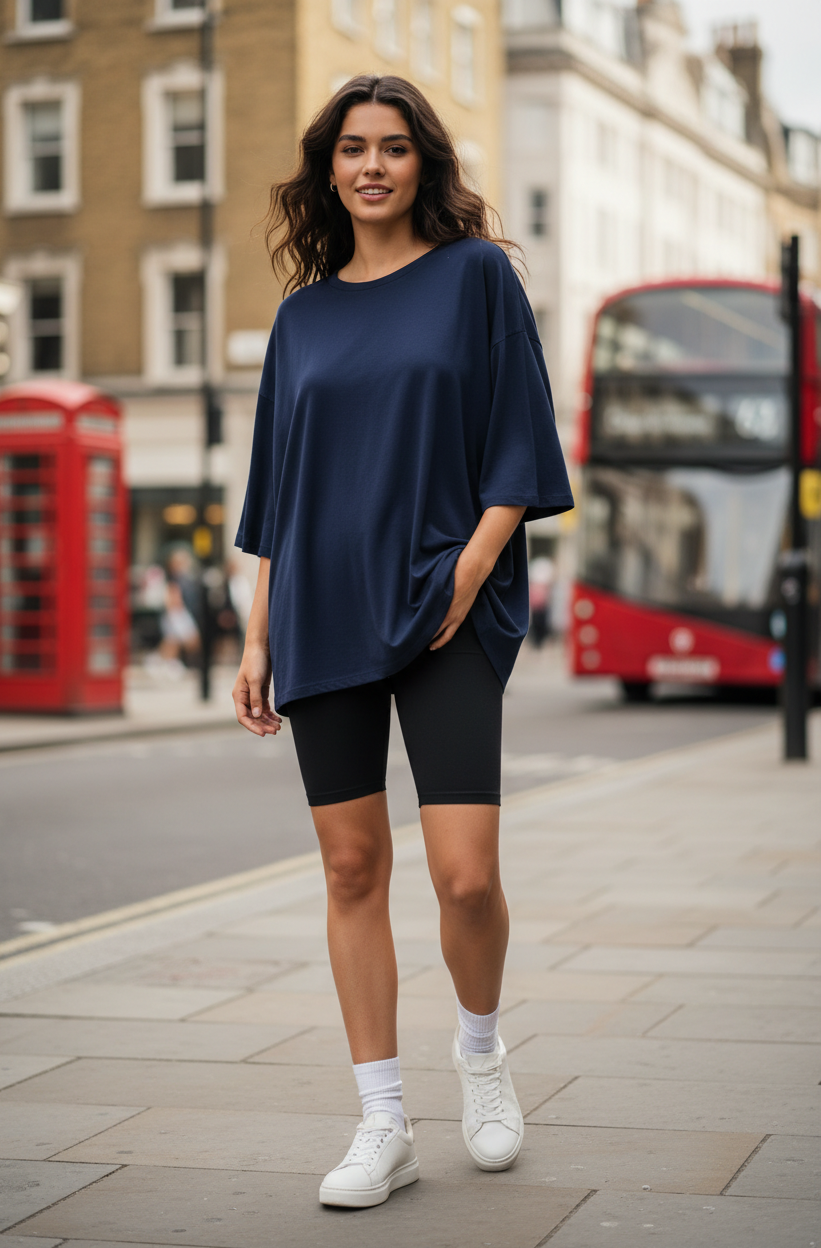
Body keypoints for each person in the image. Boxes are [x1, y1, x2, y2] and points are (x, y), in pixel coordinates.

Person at [232, 73, 573, 1209]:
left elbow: (518, 444)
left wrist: (471, 571)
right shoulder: (301, 318)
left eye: (391, 147)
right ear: (327, 169)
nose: (370, 165)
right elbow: (278, 493)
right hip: (321, 607)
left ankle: (480, 1052)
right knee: (350, 865)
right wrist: (254, 633)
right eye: (350, 149)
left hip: (444, 599)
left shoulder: (476, 279)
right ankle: (382, 1121)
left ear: (422, 162)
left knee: (465, 877)